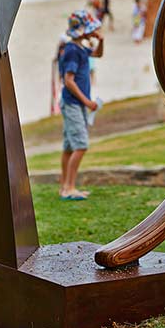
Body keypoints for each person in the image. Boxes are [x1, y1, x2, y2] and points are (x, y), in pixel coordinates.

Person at [59, 10, 104, 200]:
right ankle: (69, 188)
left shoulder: (80, 48)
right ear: (82, 30)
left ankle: (65, 187)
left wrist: (100, 40)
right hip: (73, 104)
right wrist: (86, 101)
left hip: (75, 104)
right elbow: (68, 80)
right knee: (81, 145)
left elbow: (98, 54)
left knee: (70, 146)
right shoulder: (71, 50)